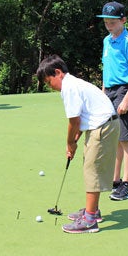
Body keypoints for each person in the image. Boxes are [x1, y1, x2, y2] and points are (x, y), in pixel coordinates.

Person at [36, 55, 120, 234]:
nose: (51, 88)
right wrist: (74, 142)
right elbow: (82, 119)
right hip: (104, 125)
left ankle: (90, 220)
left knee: (92, 170)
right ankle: (93, 211)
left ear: (58, 73)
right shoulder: (74, 83)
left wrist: (69, 143)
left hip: (103, 127)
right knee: (91, 167)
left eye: (49, 82)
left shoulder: (69, 87)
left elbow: (74, 121)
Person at [97, 1, 128, 201]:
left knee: (126, 138)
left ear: (123, 20)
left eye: (113, 22)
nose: (109, 25)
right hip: (110, 92)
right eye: (106, 22)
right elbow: (107, 72)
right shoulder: (107, 41)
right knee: (115, 137)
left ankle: (127, 184)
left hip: (125, 91)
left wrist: (126, 99)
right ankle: (115, 180)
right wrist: (103, 94)